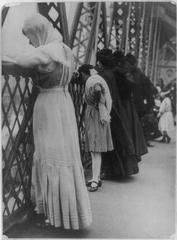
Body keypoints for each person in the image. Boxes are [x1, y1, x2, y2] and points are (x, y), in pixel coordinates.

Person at [6, 13, 92, 229]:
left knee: (50, 155)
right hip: (64, 102)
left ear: (37, 32)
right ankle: (67, 214)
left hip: (48, 106)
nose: (29, 42)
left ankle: (53, 216)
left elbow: (19, 60)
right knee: (65, 155)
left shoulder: (46, 51)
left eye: (30, 36)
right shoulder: (66, 51)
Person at [96, 49, 143, 178]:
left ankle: (111, 171)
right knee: (118, 138)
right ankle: (121, 170)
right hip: (117, 108)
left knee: (111, 139)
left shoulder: (104, 75)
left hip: (109, 109)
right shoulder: (114, 73)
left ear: (100, 62)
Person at [78, 64, 113, 191]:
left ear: (84, 73)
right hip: (98, 114)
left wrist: (97, 103)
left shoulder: (92, 80)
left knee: (95, 149)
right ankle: (96, 177)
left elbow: (98, 90)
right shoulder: (97, 78)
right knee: (95, 149)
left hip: (95, 115)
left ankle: (95, 180)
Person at [125, 53, 155, 147]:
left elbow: (149, 94)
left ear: (132, 64)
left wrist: (149, 109)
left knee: (135, 127)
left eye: (127, 64)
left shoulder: (139, 76)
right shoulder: (136, 75)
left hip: (137, 108)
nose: (126, 66)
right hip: (134, 107)